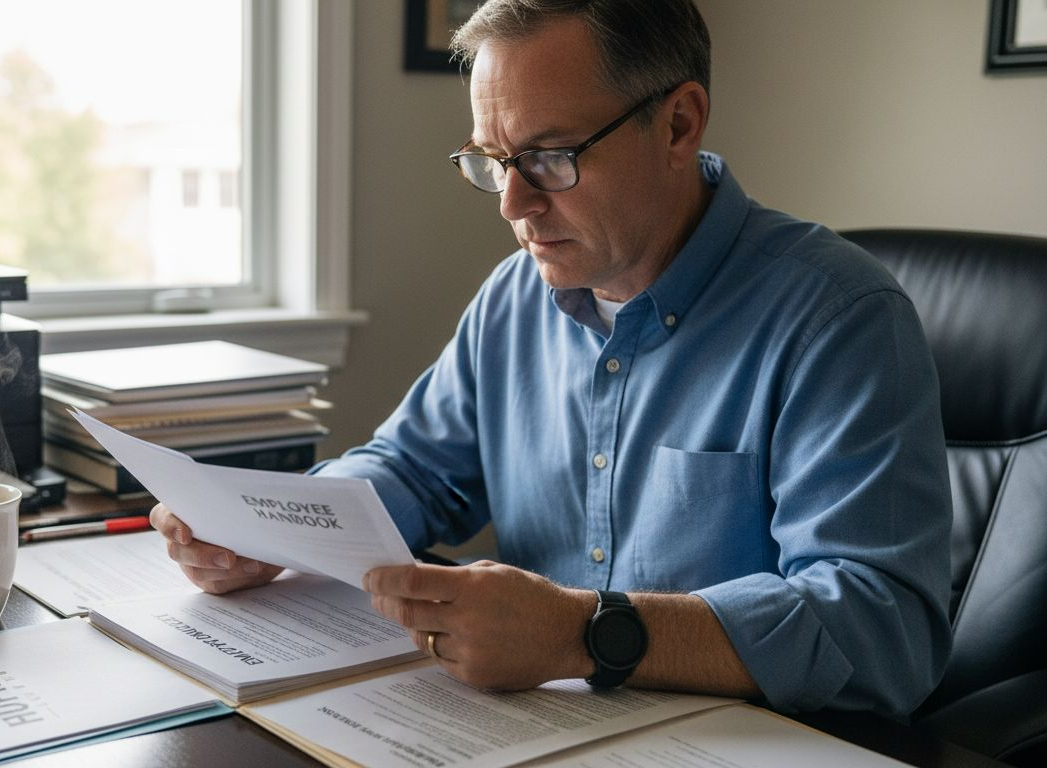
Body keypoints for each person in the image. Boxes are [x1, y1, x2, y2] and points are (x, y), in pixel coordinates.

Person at [150, 0, 952, 717]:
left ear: (679, 123)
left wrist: (584, 634)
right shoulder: (515, 297)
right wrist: (270, 531)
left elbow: (884, 631)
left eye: (550, 157)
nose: (513, 205)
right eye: (493, 161)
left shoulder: (838, 319)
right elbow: (418, 473)